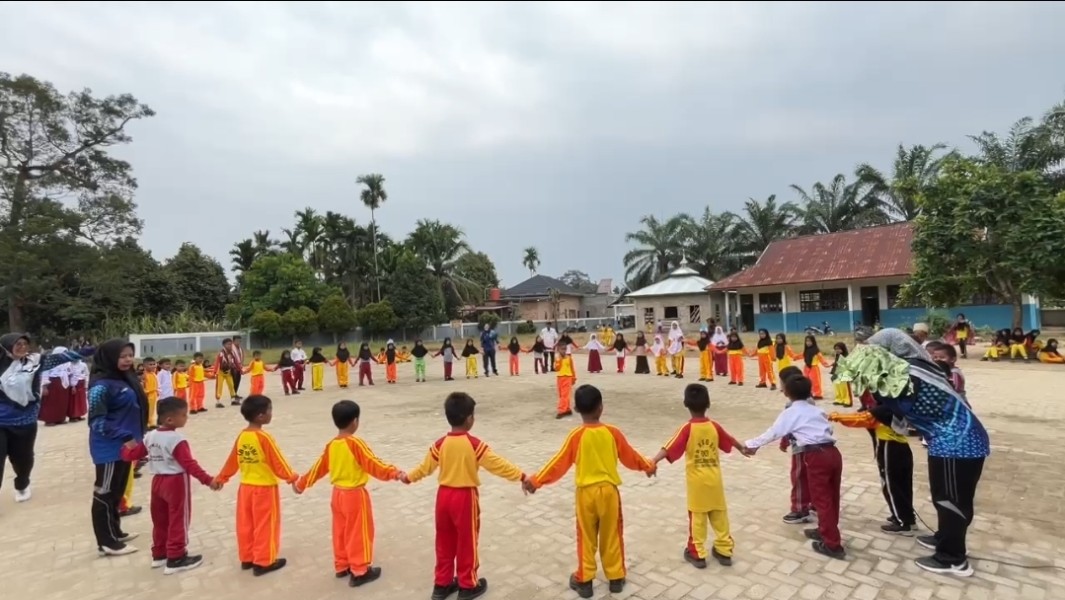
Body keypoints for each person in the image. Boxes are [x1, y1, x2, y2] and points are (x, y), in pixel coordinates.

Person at [863, 329, 990, 576]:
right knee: (945, 497)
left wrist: (872, 384)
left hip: (958, 444)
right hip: (949, 442)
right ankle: (945, 537)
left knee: (951, 500)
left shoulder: (911, 373)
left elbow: (897, 404)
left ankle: (952, 558)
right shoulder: (919, 368)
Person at [523, 385, 656, 598]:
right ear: (601, 408)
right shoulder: (613, 432)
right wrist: (648, 466)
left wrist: (536, 481)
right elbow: (631, 456)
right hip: (609, 493)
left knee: (586, 537)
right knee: (612, 535)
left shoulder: (576, 435)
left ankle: (584, 581)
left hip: (585, 494)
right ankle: (615, 578)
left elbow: (558, 463)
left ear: (576, 409)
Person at [401, 392, 527, 600]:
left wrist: (408, 478)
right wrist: (521, 476)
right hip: (465, 498)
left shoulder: (440, 444)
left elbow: (424, 468)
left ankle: (441, 585)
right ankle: (468, 584)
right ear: (469, 418)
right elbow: (498, 465)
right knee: (467, 542)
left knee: (444, 540)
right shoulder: (474, 444)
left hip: (443, 497)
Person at [294, 400, 401, 587]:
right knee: (358, 532)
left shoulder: (332, 445)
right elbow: (373, 464)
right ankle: (360, 570)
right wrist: (394, 472)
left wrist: (302, 483)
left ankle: (342, 565)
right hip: (354, 495)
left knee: (341, 531)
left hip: (337, 495)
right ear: (355, 422)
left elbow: (318, 468)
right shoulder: (355, 443)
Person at [745, 375, 845, 560]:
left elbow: (772, 433)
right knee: (831, 496)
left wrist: (751, 444)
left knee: (822, 499)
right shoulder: (817, 410)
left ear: (788, 393)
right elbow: (828, 430)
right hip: (833, 453)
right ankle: (826, 530)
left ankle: (832, 544)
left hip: (816, 456)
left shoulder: (791, 412)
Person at [652, 384, 747, 569]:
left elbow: (669, 447)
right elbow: (730, 439)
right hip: (715, 480)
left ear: (686, 403)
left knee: (698, 518)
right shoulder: (714, 426)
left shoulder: (687, 428)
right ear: (708, 403)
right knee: (720, 515)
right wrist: (742, 448)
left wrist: (653, 461)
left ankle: (697, 553)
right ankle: (724, 550)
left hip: (697, 483)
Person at [122, 396, 218, 574]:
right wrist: (208, 480)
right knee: (178, 520)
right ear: (169, 419)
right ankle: (176, 557)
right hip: (175, 482)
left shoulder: (150, 436)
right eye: (183, 415)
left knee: (160, 520)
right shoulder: (177, 439)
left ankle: (160, 554)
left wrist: (126, 444)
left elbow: (132, 455)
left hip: (157, 481)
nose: (186, 418)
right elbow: (189, 464)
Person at [214, 395, 297, 576]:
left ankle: (248, 557)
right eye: (269, 410)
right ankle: (264, 561)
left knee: (246, 524)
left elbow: (232, 460)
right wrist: (291, 477)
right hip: (264, 488)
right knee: (265, 524)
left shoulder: (242, 436)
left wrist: (222, 478)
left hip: (245, 488)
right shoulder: (264, 437)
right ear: (261, 416)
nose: (271, 414)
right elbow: (278, 462)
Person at [0, 334, 81, 504]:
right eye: (18, 344)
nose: (22, 347)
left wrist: (96, 350)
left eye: (25, 344)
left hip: (25, 420)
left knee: (23, 459)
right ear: (7, 346)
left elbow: (63, 357)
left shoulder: (36, 361)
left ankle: (22, 484)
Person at [88, 339, 149, 556]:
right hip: (109, 448)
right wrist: (125, 436)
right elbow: (96, 421)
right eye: (122, 356)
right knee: (105, 491)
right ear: (109, 357)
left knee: (118, 491)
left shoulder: (125, 378)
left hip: (127, 445)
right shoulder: (100, 386)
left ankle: (116, 531)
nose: (127, 360)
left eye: (130, 355)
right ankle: (106, 541)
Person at [775, 366, 813, 525]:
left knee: (798, 477)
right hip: (814, 447)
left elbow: (787, 426)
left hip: (800, 448)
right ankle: (813, 503)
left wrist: (784, 441)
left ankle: (799, 509)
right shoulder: (809, 400)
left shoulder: (791, 405)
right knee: (810, 477)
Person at [39, 346, 73, 426]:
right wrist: (44, 387)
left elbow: (70, 372)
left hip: (64, 384)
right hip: (53, 383)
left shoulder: (67, 362)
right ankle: (50, 420)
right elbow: (45, 374)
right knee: (51, 402)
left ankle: (60, 418)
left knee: (62, 402)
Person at [213, 339, 241, 408]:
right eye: (228, 344)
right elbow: (217, 362)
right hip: (221, 373)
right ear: (224, 345)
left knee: (231, 386)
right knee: (219, 387)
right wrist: (214, 372)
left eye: (231, 344)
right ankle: (218, 402)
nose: (230, 346)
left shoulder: (232, 353)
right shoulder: (221, 353)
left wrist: (239, 369)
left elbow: (236, 362)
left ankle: (233, 400)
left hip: (228, 372)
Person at [800, 335, 830, 400]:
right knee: (806, 381)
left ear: (813, 342)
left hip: (814, 368)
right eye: (807, 341)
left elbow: (821, 358)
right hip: (806, 367)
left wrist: (826, 364)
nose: (808, 343)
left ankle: (818, 394)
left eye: (810, 341)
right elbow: (801, 355)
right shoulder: (806, 350)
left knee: (815, 382)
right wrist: (794, 357)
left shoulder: (816, 351)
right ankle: (809, 393)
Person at [555, 344, 576, 418]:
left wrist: (574, 378)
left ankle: (561, 410)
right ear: (558, 350)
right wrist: (559, 360)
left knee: (565, 394)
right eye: (562, 349)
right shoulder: (557, 358)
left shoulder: (569, 358)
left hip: (567, 377)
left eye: (565, 349)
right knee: (561, 394)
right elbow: (557, 369)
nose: (563, 351)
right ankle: (567, 408)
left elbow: (572, 369)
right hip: (560, 377)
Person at [829, 343, 853, 407]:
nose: (837, 350)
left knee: (845, 388)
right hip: (837, 374)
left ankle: (847, 401)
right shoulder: (837, 356)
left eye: (839, 349)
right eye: (836, 349)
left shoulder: (846, 356)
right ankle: (839, 399)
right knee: (838, 387)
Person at [68, 355, 90, 422]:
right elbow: (70, 376)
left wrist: (86, 384)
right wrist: (73, 385)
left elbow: (87, 374)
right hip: (74, 384)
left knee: (81, 400)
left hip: (81, 383)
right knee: (74, 401)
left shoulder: (83, 365)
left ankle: (79, 415)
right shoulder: (69, 365)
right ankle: (73, 416)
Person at [142, 357, 160, 428]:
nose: (153, 366)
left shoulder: (153, 374)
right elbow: (143, 385)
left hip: (154, 394)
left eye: (154, 364)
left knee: (153, 409)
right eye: (150, 364)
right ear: (145, 366)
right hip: (148, 394)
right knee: (148, 409)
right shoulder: (144, 375)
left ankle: (152, 423)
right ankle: (147, 424)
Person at [231, 335, 246, 400]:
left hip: (239, 366)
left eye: (239, 341)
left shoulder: (240, 348)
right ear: (233, 341)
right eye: (237, 340)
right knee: (234, 381)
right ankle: (233, 394)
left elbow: (242, 356)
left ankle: (235, 393)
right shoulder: (231, 348)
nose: (238, 342)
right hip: (233, 366)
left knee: (238, 380)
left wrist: (241, 363)